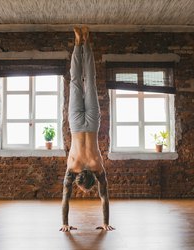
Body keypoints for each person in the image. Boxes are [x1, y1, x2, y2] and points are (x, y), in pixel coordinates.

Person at [60, 26, 114, 232]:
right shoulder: (72, 167)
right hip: (75, 123)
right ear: (79, 179)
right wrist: (64, 223)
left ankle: (85, 41)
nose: (80, 190)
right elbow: (66, 198)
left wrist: (105, 221)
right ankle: (77, 41)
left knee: (89, 82)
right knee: (76, 82)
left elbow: (104, 196)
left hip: (92, 123)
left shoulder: (97, 166)